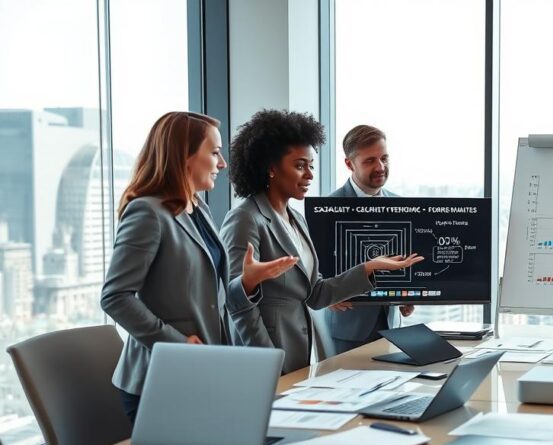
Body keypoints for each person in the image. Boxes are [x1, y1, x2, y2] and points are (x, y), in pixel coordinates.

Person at [101, 112, 296, 423]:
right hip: (160, 380)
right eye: (215, 152)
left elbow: (205, 296)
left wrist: (246, 282)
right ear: (184, 156)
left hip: (203, 371)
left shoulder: (198, 207)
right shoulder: (147, 212)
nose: (222, 164)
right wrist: (177, 346)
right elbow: (115, 297)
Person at [220, 110, 423, 374]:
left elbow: (316, 295)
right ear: (271, 168)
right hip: (266, 358)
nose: (309, 175)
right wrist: (267, 362)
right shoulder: (245, 218)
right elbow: (235, 302)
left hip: (301, 354)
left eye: (311, 166)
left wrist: (369, 268)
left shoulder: (296, 219)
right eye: (300, 165)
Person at [325, 125, 414, 354]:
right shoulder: (328, 208)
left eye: (384, 158)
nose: (380, 167)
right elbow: (311, 267)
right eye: (370, 161)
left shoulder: (402, 206)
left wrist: (409, 293)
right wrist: (325, 295)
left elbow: (405, 260)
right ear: (349, 164)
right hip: (348, 329)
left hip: (392, 327)